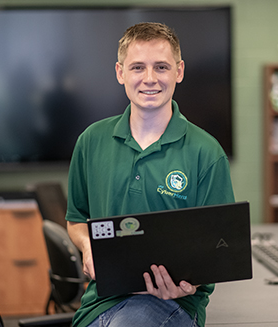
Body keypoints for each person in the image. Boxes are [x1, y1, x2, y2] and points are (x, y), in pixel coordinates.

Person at [66, 22, 235, 327]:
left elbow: (219, 247)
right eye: (137, 68)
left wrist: (192, 283)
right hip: (100, 301)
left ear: (179, 71)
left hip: (175, 305)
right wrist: (88, 247)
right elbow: (77, 219)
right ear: (120, 73)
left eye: (161, 67)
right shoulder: (91, 141)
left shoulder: (206, 152)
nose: (149, 79)